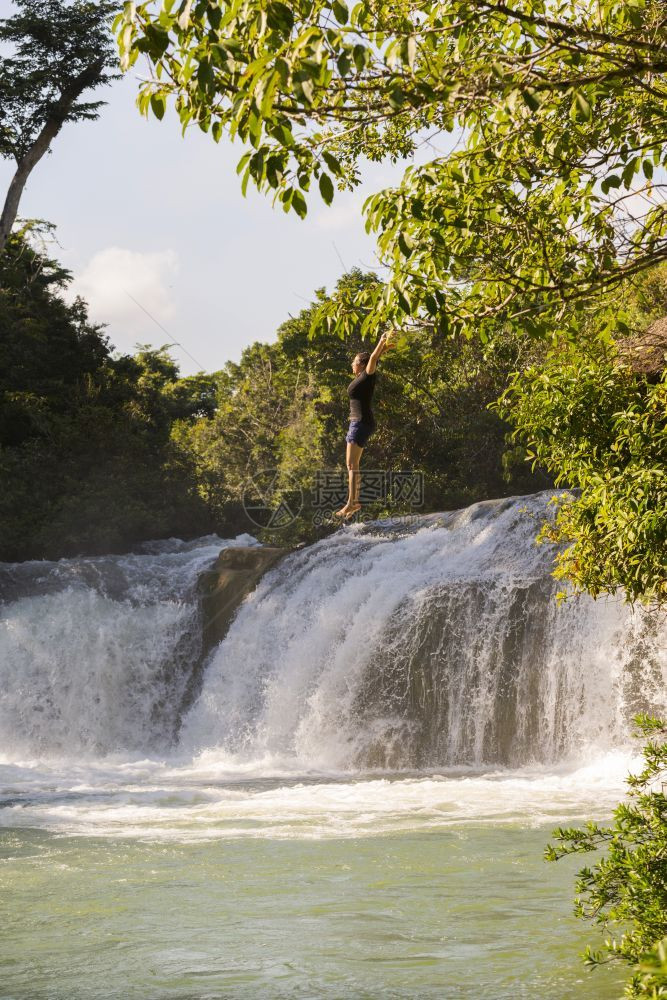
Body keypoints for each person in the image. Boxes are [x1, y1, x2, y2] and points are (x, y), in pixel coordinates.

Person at [334, 331, 394, 519]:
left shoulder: (367, 375)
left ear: (360, 364)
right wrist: (383, 350)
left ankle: (352, 503)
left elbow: (373, 358)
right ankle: (353, 502)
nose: (352, 364)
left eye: (354, 361)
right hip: (358, 423)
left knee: (352, 465)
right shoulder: (363, 377)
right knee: (352, 464)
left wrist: (381, 342)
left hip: (360, 423)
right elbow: (373, 359)